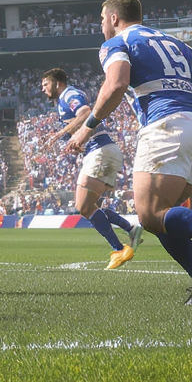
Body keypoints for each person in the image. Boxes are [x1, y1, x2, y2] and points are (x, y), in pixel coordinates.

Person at [66, 0, 192, 304]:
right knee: (164, 216)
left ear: (113, 18)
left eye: (100, 20)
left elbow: (117, 84)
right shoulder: (172, 42)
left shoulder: (116, 43)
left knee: (150, 215)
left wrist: (88, 126)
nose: (101, 26)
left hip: (167, 126)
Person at [40, 67, 143, 269]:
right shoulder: (62, 101)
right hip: (100, 150)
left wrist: (60, 133)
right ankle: (130, 229)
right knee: (91, 205)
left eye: (45, 84)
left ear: (57, 83)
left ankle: (119, 248)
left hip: (101, 149)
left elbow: (86, 112)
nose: (43, 89)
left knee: (83, 206)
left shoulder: (69, 94)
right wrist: (77, 144)